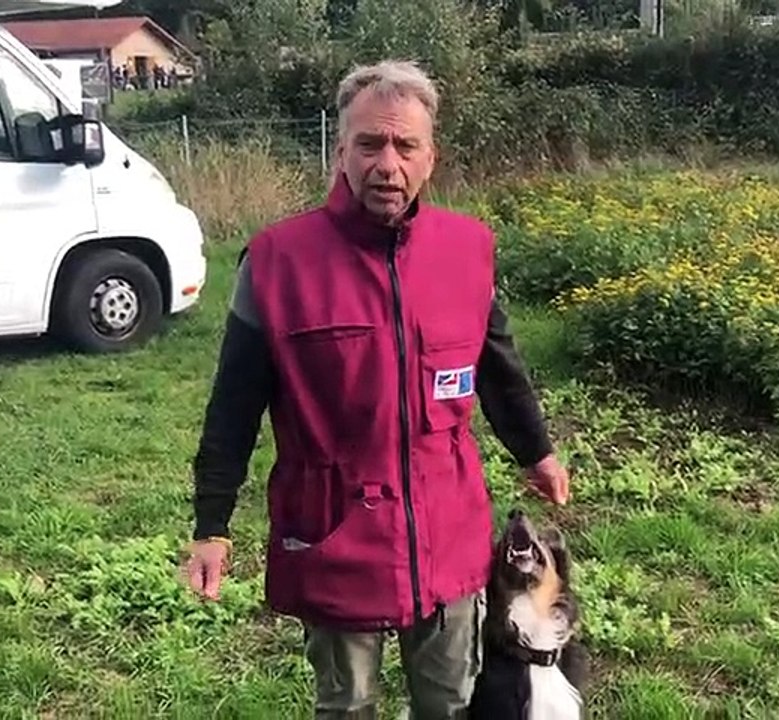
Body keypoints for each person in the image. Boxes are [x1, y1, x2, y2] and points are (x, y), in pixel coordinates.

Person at [184, 59, 571, 720]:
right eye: (369, 144)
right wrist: (212, 523)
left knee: (450, 703)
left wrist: (535, 451)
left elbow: (497, 363)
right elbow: (234, 404)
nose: (386, 163)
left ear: (431, 158)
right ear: (341, 152)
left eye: (405, 146)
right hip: (334, 530)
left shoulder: (468, 250)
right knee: (348, 705)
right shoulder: (279, 263)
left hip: (446, 523)